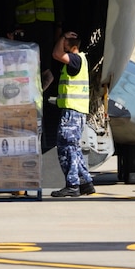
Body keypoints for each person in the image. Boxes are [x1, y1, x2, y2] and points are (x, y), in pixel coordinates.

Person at [49, 31, 95, 197]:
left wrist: (61, 37)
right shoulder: (80, 59)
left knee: (66, 148)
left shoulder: (75, 60)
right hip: (77, 111)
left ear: (71, 45)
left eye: (65, 42)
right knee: (74, 148)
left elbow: (56, 54)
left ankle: (72, 185)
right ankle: (86, 182)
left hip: (72, 112)